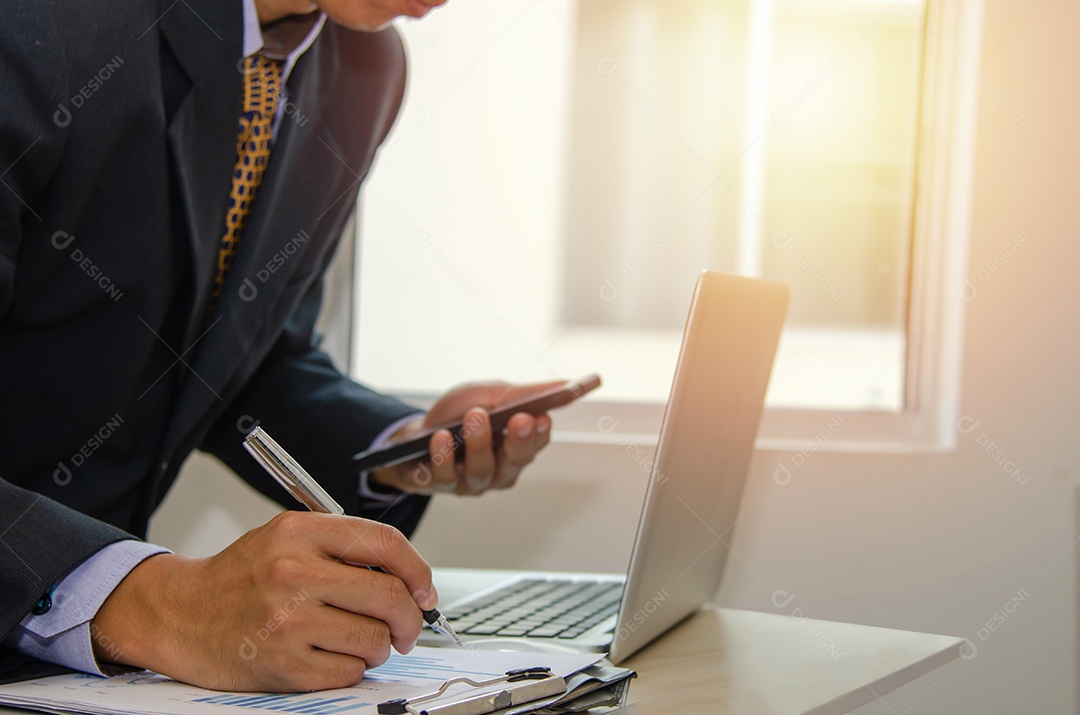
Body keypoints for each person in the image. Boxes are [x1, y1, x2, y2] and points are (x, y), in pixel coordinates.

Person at [0, 0, 557, 692]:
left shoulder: (363, 70)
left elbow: (242, 355)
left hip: (75, 671)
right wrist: (157, 602)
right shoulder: (40, 25)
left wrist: (401, 447)